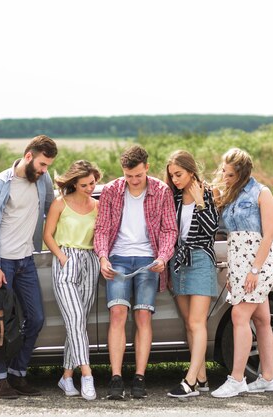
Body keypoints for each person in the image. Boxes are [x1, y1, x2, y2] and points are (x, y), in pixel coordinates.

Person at [94, 144, 178, 400]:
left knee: (143, 317)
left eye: (138, 176)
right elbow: (102, 229)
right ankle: (116, 378)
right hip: (118, 259)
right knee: (117, 313)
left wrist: (163, 257)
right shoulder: (111, 190)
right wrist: (103, 257)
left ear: (147, 169)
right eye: (128, 176)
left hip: (148, 261)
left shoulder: (161, 191)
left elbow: (169, 230)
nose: (133, 181)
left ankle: (140, 378)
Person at [0, 135, 58, 399]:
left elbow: (52, 209)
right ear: (28, 157)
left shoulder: (43, 180)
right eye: (42, 164)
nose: (44, 170)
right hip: (3, 262)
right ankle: (0, 380)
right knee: (1, 325)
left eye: (47, 165)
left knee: (35, 319)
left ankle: (17, 373)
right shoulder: (1, 183)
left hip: (27, 260)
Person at [210, 148, 273, 398]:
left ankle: (236, 379)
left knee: (239, 316)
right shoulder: (231, 194)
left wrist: (254, 271)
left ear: (241, 173)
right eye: (223, 172)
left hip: (259, 264)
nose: (224, 177)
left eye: (229, 174)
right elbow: (232, 240)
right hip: (239, 266)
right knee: (261, 320)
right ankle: (268, 379)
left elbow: (268, 235)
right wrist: (233, 273)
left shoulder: (262, 193)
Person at [43, 160, 102, 401]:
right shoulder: (60, 203)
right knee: (76, 319)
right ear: (74, 184)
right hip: (66, 261)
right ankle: (87, 375)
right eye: (85, 184)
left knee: (77, 324)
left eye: (93, 182)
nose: (90, 187)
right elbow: (47, 235)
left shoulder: (98, 206)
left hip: (90, 262)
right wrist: (62, 257)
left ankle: (66, 376)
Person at [164, 150, 220, 398]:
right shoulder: (174, 196)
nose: (175, 179)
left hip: (200, 260)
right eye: (172, 175)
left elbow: (211, 230)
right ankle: (203, 377)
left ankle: (190, 382)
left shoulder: (209, 193)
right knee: (189, 323)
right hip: (178, 261)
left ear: (190, 171)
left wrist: (200, 202)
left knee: (198, 323)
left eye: (179, 174)